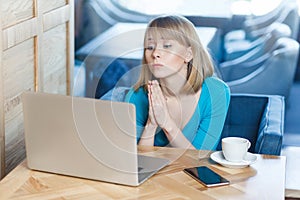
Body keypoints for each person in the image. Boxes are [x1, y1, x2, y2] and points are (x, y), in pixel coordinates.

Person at [125, 15, 230, 150]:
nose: (155, 53)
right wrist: (151, 125)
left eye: (167, 46)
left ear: (188, 54)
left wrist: (167, 123)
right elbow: (137, 165)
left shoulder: (216, 92)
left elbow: (200, 164)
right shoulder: (136, 96)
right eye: (150, 47)